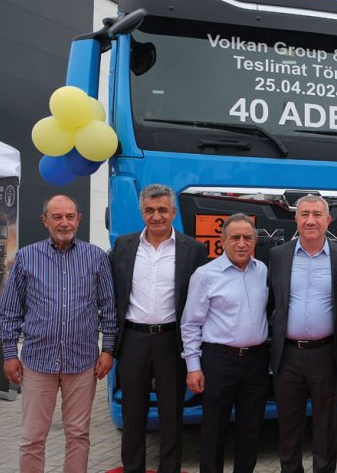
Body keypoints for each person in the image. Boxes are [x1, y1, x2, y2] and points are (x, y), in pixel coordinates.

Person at [0, 194, 116, 473]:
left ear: (79, 219)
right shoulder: (26, 257)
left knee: (78, 435)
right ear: (45, 221)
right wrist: (10, 354)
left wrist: (108, 349)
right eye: (57, 217)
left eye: (70, 216)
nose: (64, 223)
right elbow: (10, 310)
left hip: (82, 363)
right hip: (38, 363)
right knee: (32, 438)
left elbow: (109, 307)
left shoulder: (96, 257)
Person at [109, 184, 207, 473]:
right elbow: (113, 294)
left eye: (162, 210)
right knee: (133, 414)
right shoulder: (123, 246)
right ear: (142, 212)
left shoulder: (193, 249)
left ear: (173, 212)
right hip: (133, 340)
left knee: (171, 415)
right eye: (149, 210)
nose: (156, 216)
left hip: (171, 342)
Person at [180, 213, 270, 473]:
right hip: (219, 361)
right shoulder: (205, 275)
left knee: (251, 430)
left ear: (255, 241)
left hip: (256, 361)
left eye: (247, 238)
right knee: (214, 430)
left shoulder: (261, 270)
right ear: (222, 241)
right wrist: (193, 367)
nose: (241, 243)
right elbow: (190, 323)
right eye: (235, 237)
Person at [268, 195, 337, 473]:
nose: (310, 220)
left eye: (317, 214)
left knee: (326, 426)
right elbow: (271, 302)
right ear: (296, 219)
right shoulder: (278, 255)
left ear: (328, 220)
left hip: (326, 354)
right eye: (304, 214)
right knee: (289, 427)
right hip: (288, 355)